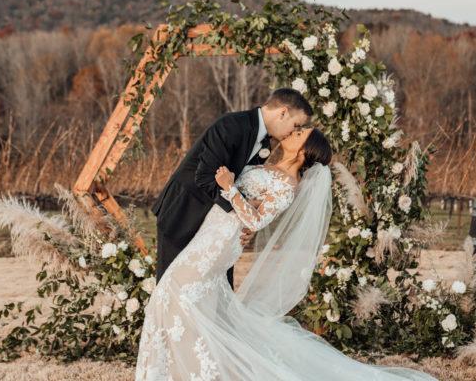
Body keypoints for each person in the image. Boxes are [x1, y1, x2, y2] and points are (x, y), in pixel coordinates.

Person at [135, 125, 437, 381]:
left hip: (218, 244)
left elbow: (254, 220)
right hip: (211, 235)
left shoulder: (287, 186)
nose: (293, 131)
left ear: (304, 151)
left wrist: (229, 188)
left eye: (300, 133)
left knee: (172, 293)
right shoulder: (269, 167)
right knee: (181, 300)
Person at [151, 88, 312, 290]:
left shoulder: (264, 144)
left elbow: (242, 186)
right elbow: (205, 176)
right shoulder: (232, 125)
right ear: (283, 112)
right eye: (296, 125)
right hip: (185, 212)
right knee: (173, 288)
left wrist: (247, 220)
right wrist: (240, 209)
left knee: (217, 289)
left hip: (217, 226)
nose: (292, 132)